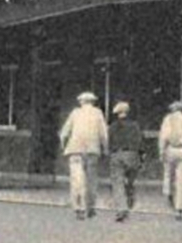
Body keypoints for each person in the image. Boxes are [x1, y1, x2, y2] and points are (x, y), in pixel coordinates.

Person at [59, 91, 108, 220]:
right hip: (92, 150)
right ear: (93, 102)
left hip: (75, 150)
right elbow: (103, 134)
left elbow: (64, 132)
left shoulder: (75, 113)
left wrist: (64, 145)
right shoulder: (98, 113)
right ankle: (90, 207)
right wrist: (105, 148)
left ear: (81, 102)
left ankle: (78, 208)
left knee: (77, 180)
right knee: (91, 180)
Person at [158, 100, 182, 220]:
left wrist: (161, 151)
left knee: (168, 174)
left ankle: (168, 192)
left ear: (172, 109)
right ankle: (180, 209)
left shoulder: (168, 119)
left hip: (171, 148)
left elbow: (163, 137)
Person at [107, 101, 144, 222]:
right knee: (130, 181)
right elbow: (140, 142)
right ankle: (129, 198)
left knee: (117, 182)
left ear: (117, 113)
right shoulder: (135, 125)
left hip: (117, 154)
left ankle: (121, 208)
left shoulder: (112, 126)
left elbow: (109, 142)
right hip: (132, 155)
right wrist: (141, 157)